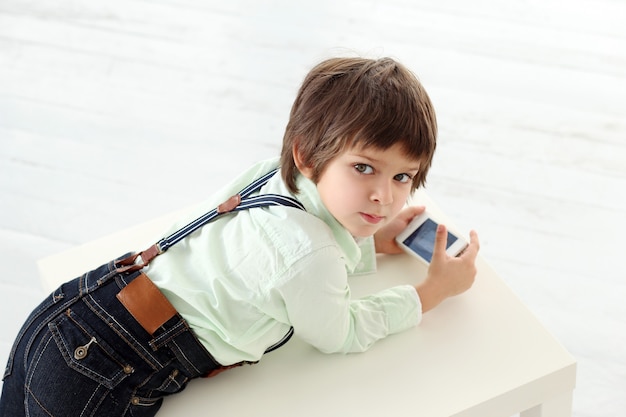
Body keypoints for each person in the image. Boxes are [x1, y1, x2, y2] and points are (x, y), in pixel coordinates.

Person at [0, 56, 479, 416]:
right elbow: (341, 332)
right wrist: (427, 295)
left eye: (402, 178)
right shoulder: (312, 257)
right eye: (364, 168)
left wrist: (369, 239)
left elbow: (279, 254)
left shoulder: (269, 175)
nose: (383, 197)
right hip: (104, 371)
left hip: (76, 310)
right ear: (309, 156)